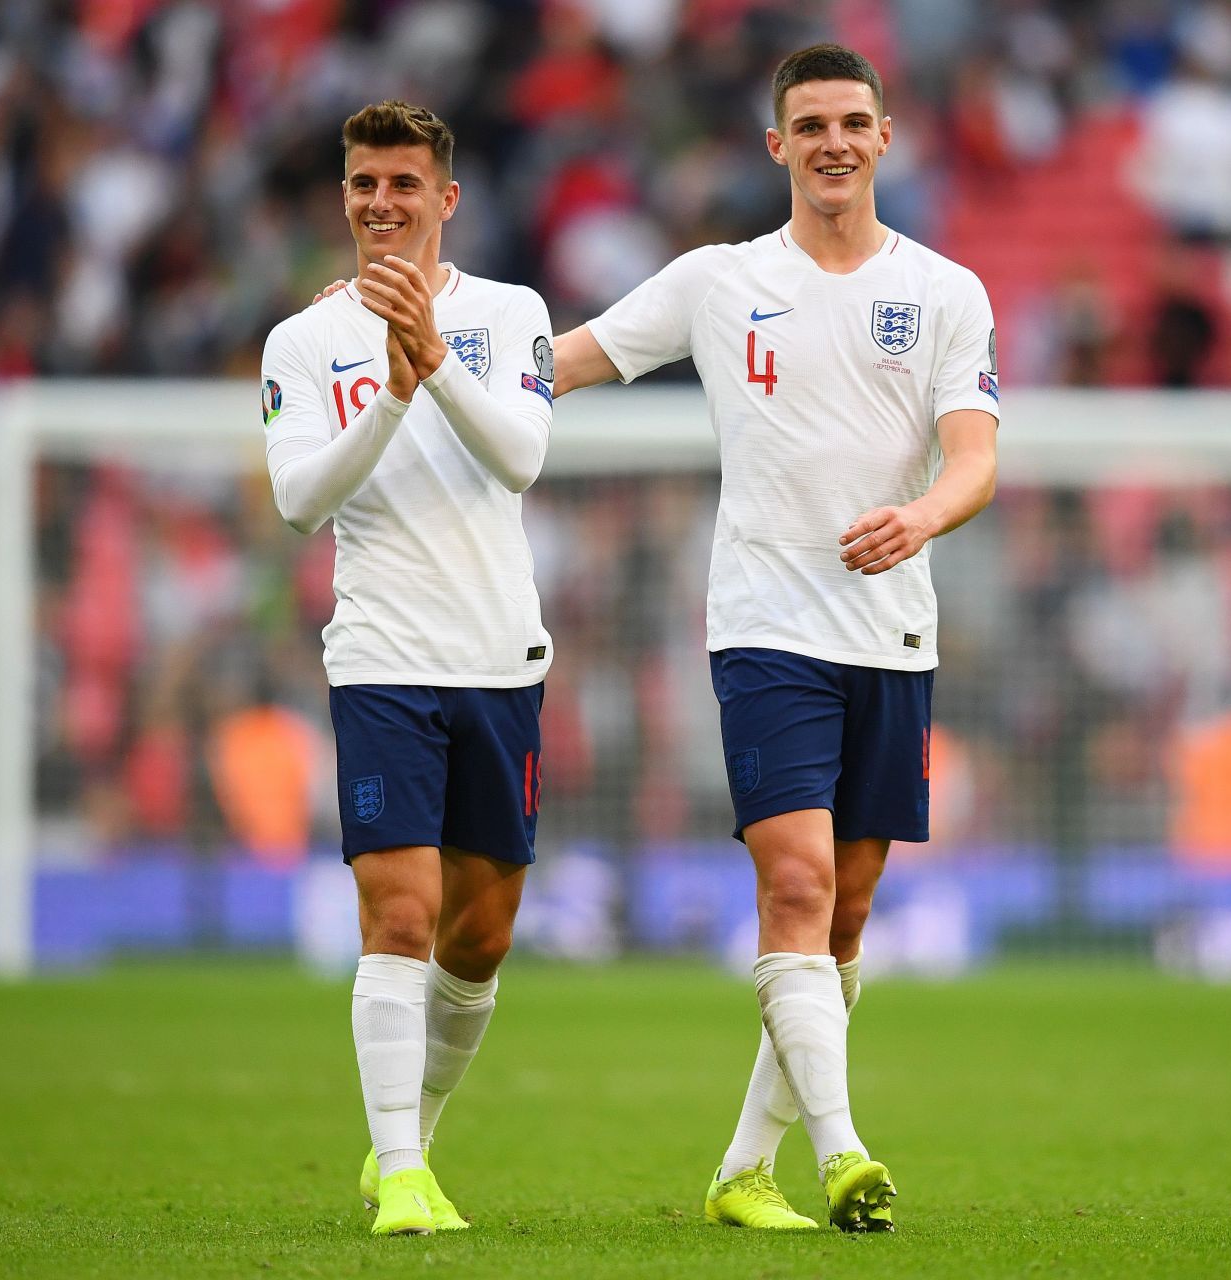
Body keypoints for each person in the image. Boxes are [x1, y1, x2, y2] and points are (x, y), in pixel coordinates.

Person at [554, 44, 1002, 1232]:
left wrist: (919, 516)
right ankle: (846, 1151)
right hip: (765, 628)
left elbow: (975, 458)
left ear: (886, 137)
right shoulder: (718, 280)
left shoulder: (947, 291)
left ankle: (744, 1165)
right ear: (777, 146)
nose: (834, 142)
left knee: (843, 919)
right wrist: (443, 368)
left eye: (853, 121)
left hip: (893, 632)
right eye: (810, 125)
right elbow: (572, 361)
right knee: (794, 882)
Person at [260, 100, 556, 1238]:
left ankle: (408, 1144)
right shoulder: (304, 339)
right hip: (381, 655)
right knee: (399, 910)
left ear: (447, 199)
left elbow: (521, 456)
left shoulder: (510, 312)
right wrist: (389, 389)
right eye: (363, 185)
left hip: (498, 655)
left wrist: (431, 363)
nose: (381, 203)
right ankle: (403, 1174)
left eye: (402, 184)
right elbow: (297, 502)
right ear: (345, 198)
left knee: (478, 937)